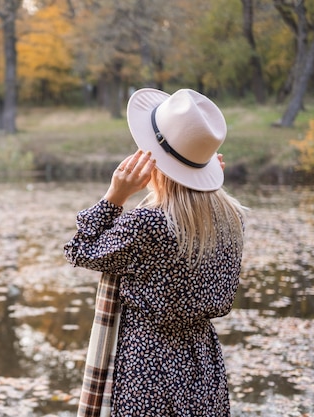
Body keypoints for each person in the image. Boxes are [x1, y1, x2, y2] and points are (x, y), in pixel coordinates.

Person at [64, 88, 246, 417]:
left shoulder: (148, 224)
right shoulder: (231, 218)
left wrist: (114, 197)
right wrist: (206, 182)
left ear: (154, 160)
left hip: (147, 363)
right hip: (202, 362)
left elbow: (80, 249)